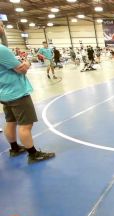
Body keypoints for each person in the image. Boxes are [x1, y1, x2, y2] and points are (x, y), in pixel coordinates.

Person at [0, 23, 56, 163]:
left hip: (4, 92)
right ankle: (33, 154)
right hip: (16, 92)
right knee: (26, 125)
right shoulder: (1, 50)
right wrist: (27, 63)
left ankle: (14, 148)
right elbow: (21, 69)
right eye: (1, 25)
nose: (4, 28)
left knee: (10, 121)